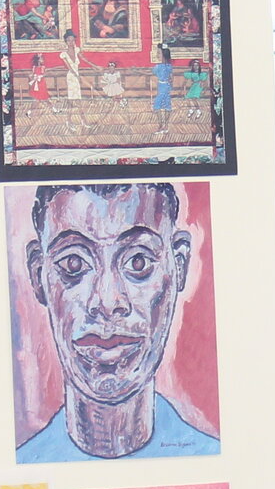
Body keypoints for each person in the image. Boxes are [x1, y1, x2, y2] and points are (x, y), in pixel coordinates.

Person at [17, 182, 219, 460]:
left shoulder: (211, 458)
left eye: (138, 262)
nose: (107, 302)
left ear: (179, 265)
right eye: (73, 264)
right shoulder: (26, 466)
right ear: (39, 275)